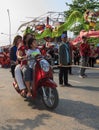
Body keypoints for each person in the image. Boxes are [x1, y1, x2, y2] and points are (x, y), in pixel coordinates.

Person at [17, 33, 33, 97]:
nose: (30, 38)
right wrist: (20, 57)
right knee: (27, 70)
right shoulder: (22, 46)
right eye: (28, 37)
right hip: (25, 64)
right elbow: (19, 55)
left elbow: (37, 52)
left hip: (34, 63)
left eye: (31, 37)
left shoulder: (33, 45)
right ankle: (29, 91)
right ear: (25, 39)